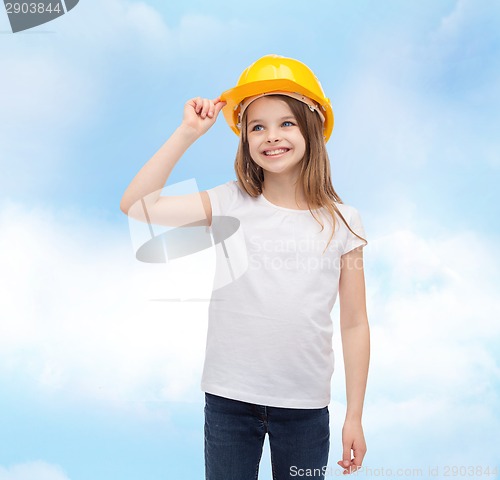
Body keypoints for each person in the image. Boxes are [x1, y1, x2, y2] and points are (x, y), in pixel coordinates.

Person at [120, 54, 370, 479]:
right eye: (258, 126)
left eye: (286, 123)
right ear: (244, 138)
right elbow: (138, 207)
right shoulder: (229, 202)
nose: (272, 136)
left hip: (306, 408)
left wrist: (354, 416)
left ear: (312, 127)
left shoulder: (345, 221)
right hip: (229, 402)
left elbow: (354, 324)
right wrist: (187, 134)